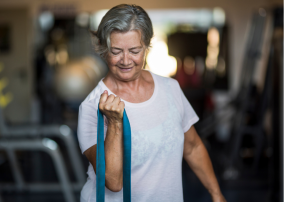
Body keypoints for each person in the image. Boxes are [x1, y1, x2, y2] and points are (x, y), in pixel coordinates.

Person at [77, 4, 226, 202]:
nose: (125, 60)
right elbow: (113, 182)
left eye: (134, 50)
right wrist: (114, 124)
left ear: (147, 46)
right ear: (104, 49)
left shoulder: (170, 88)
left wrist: (216, 195)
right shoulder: (92, 106)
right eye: (116, 51)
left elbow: (192, 147)